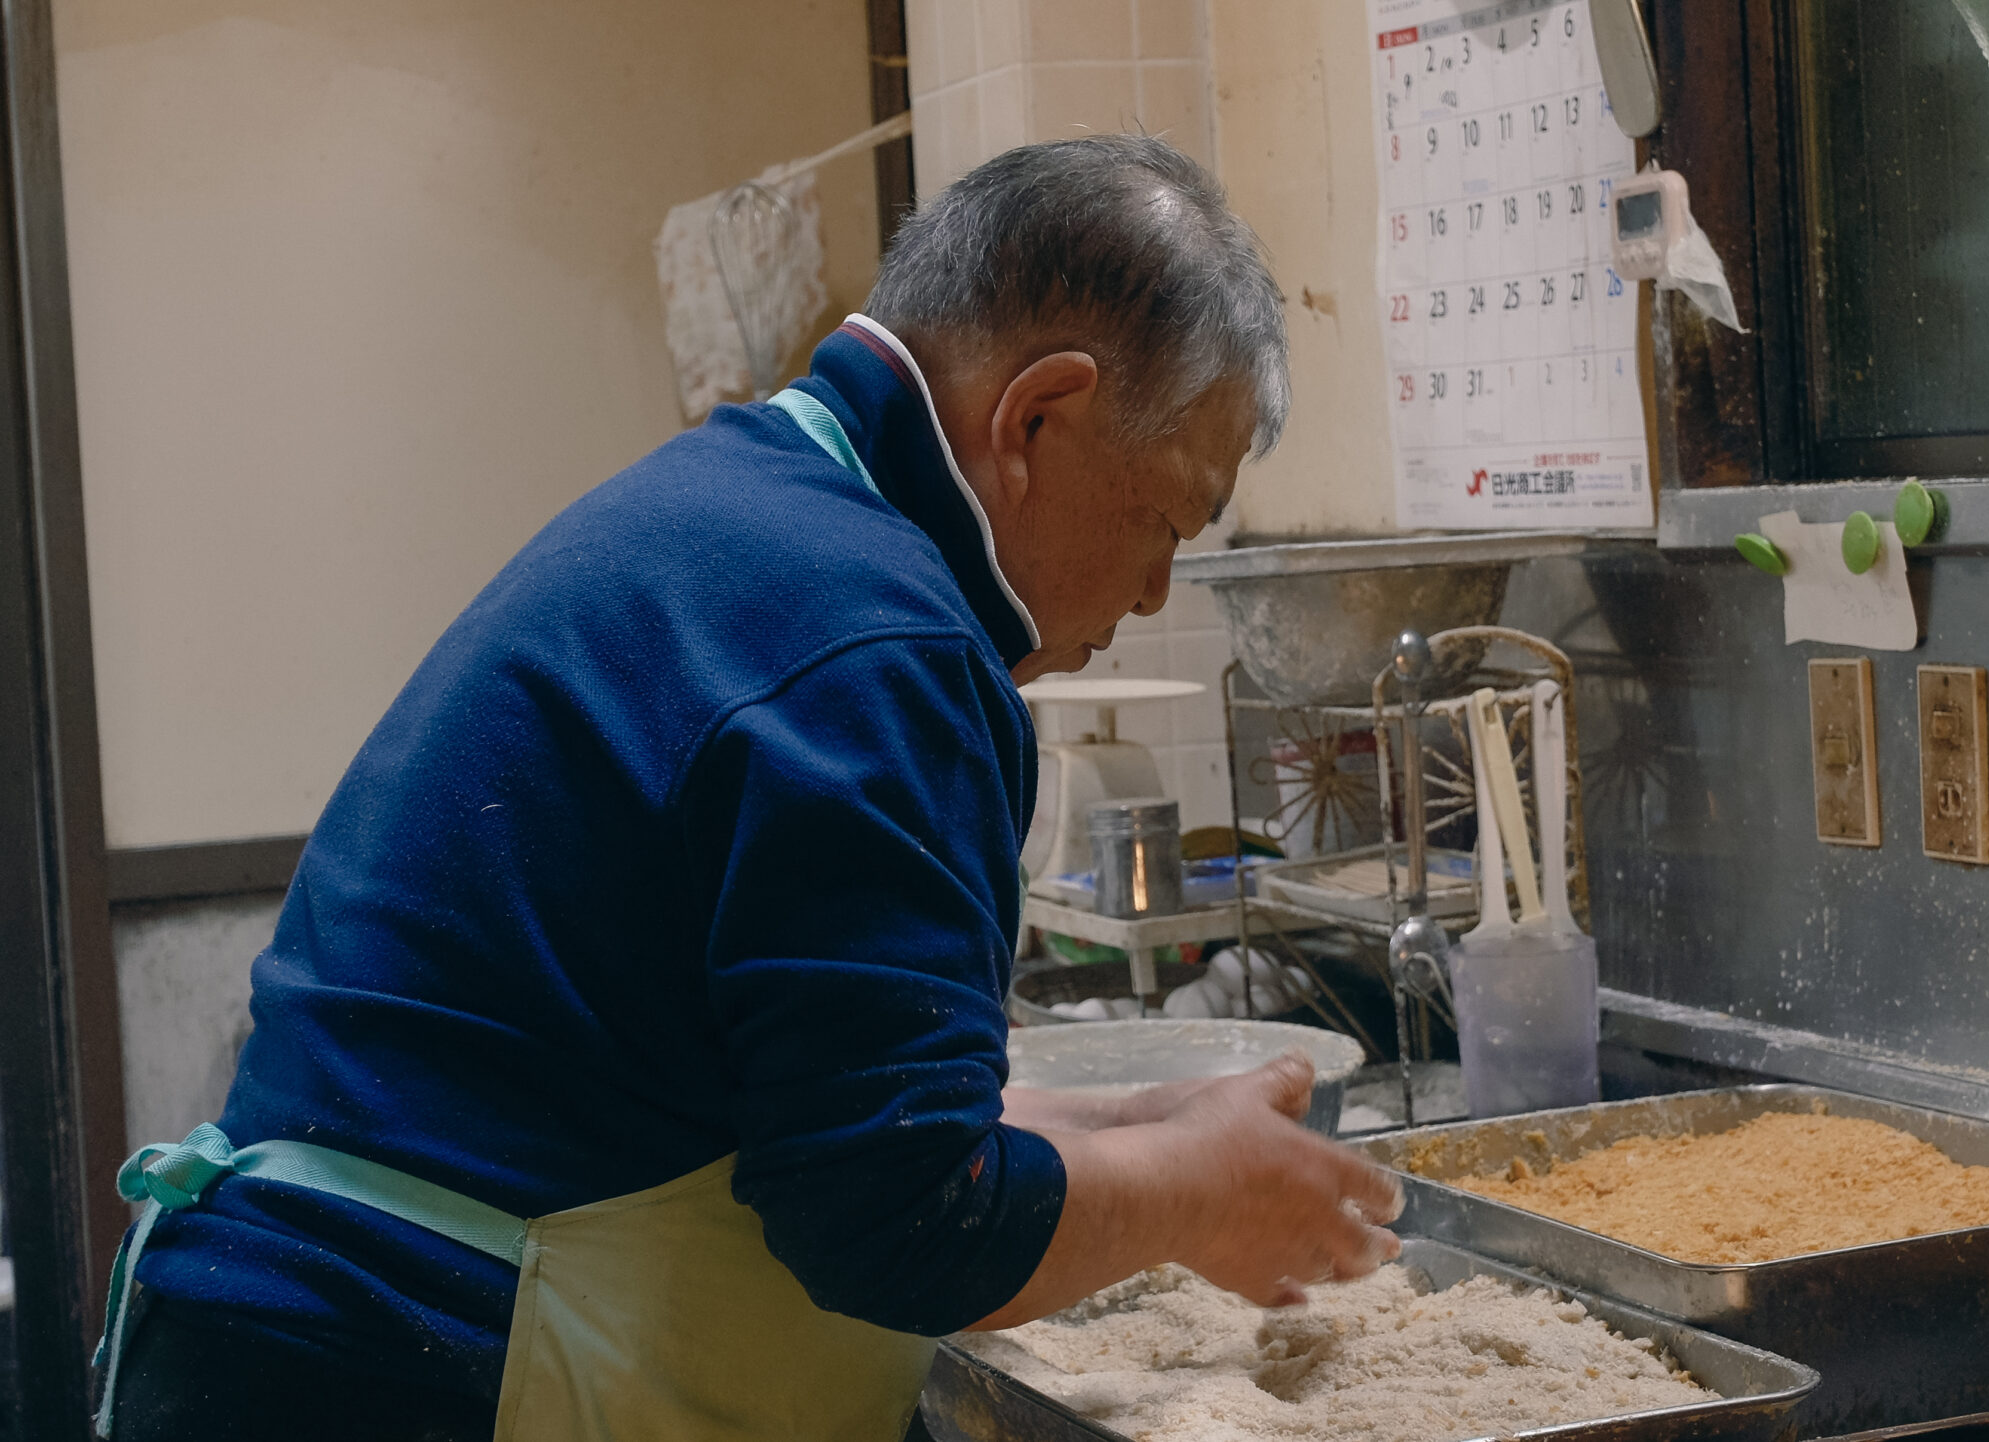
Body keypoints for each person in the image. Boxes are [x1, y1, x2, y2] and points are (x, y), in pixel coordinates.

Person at [93, 134, 1402, 1442]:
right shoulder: (874, 639)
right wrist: (1185, 1195)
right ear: (1037, 418)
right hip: (400, 1372)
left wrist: (1150, 1120)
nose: (1154, 592)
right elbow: (897, 1214)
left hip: (274, 1347)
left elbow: (821, 1103)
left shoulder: (754, 514)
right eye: (1170, 522)